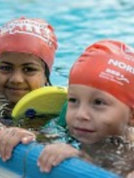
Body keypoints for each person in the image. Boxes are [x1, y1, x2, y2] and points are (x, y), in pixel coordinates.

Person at [37, 40, 134, 176]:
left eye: (98, 102)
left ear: (131, 116)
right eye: (73, 100)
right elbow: (36, 140)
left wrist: (82, 160)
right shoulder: (62, 129)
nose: (81, 114)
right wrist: (16, 134)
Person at [0, 17, 58, 146]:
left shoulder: (54, 110)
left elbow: (55, 139)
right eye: (6, 68)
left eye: (29, 69)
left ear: (46, 75)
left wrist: (33, 136)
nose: (16, 79)